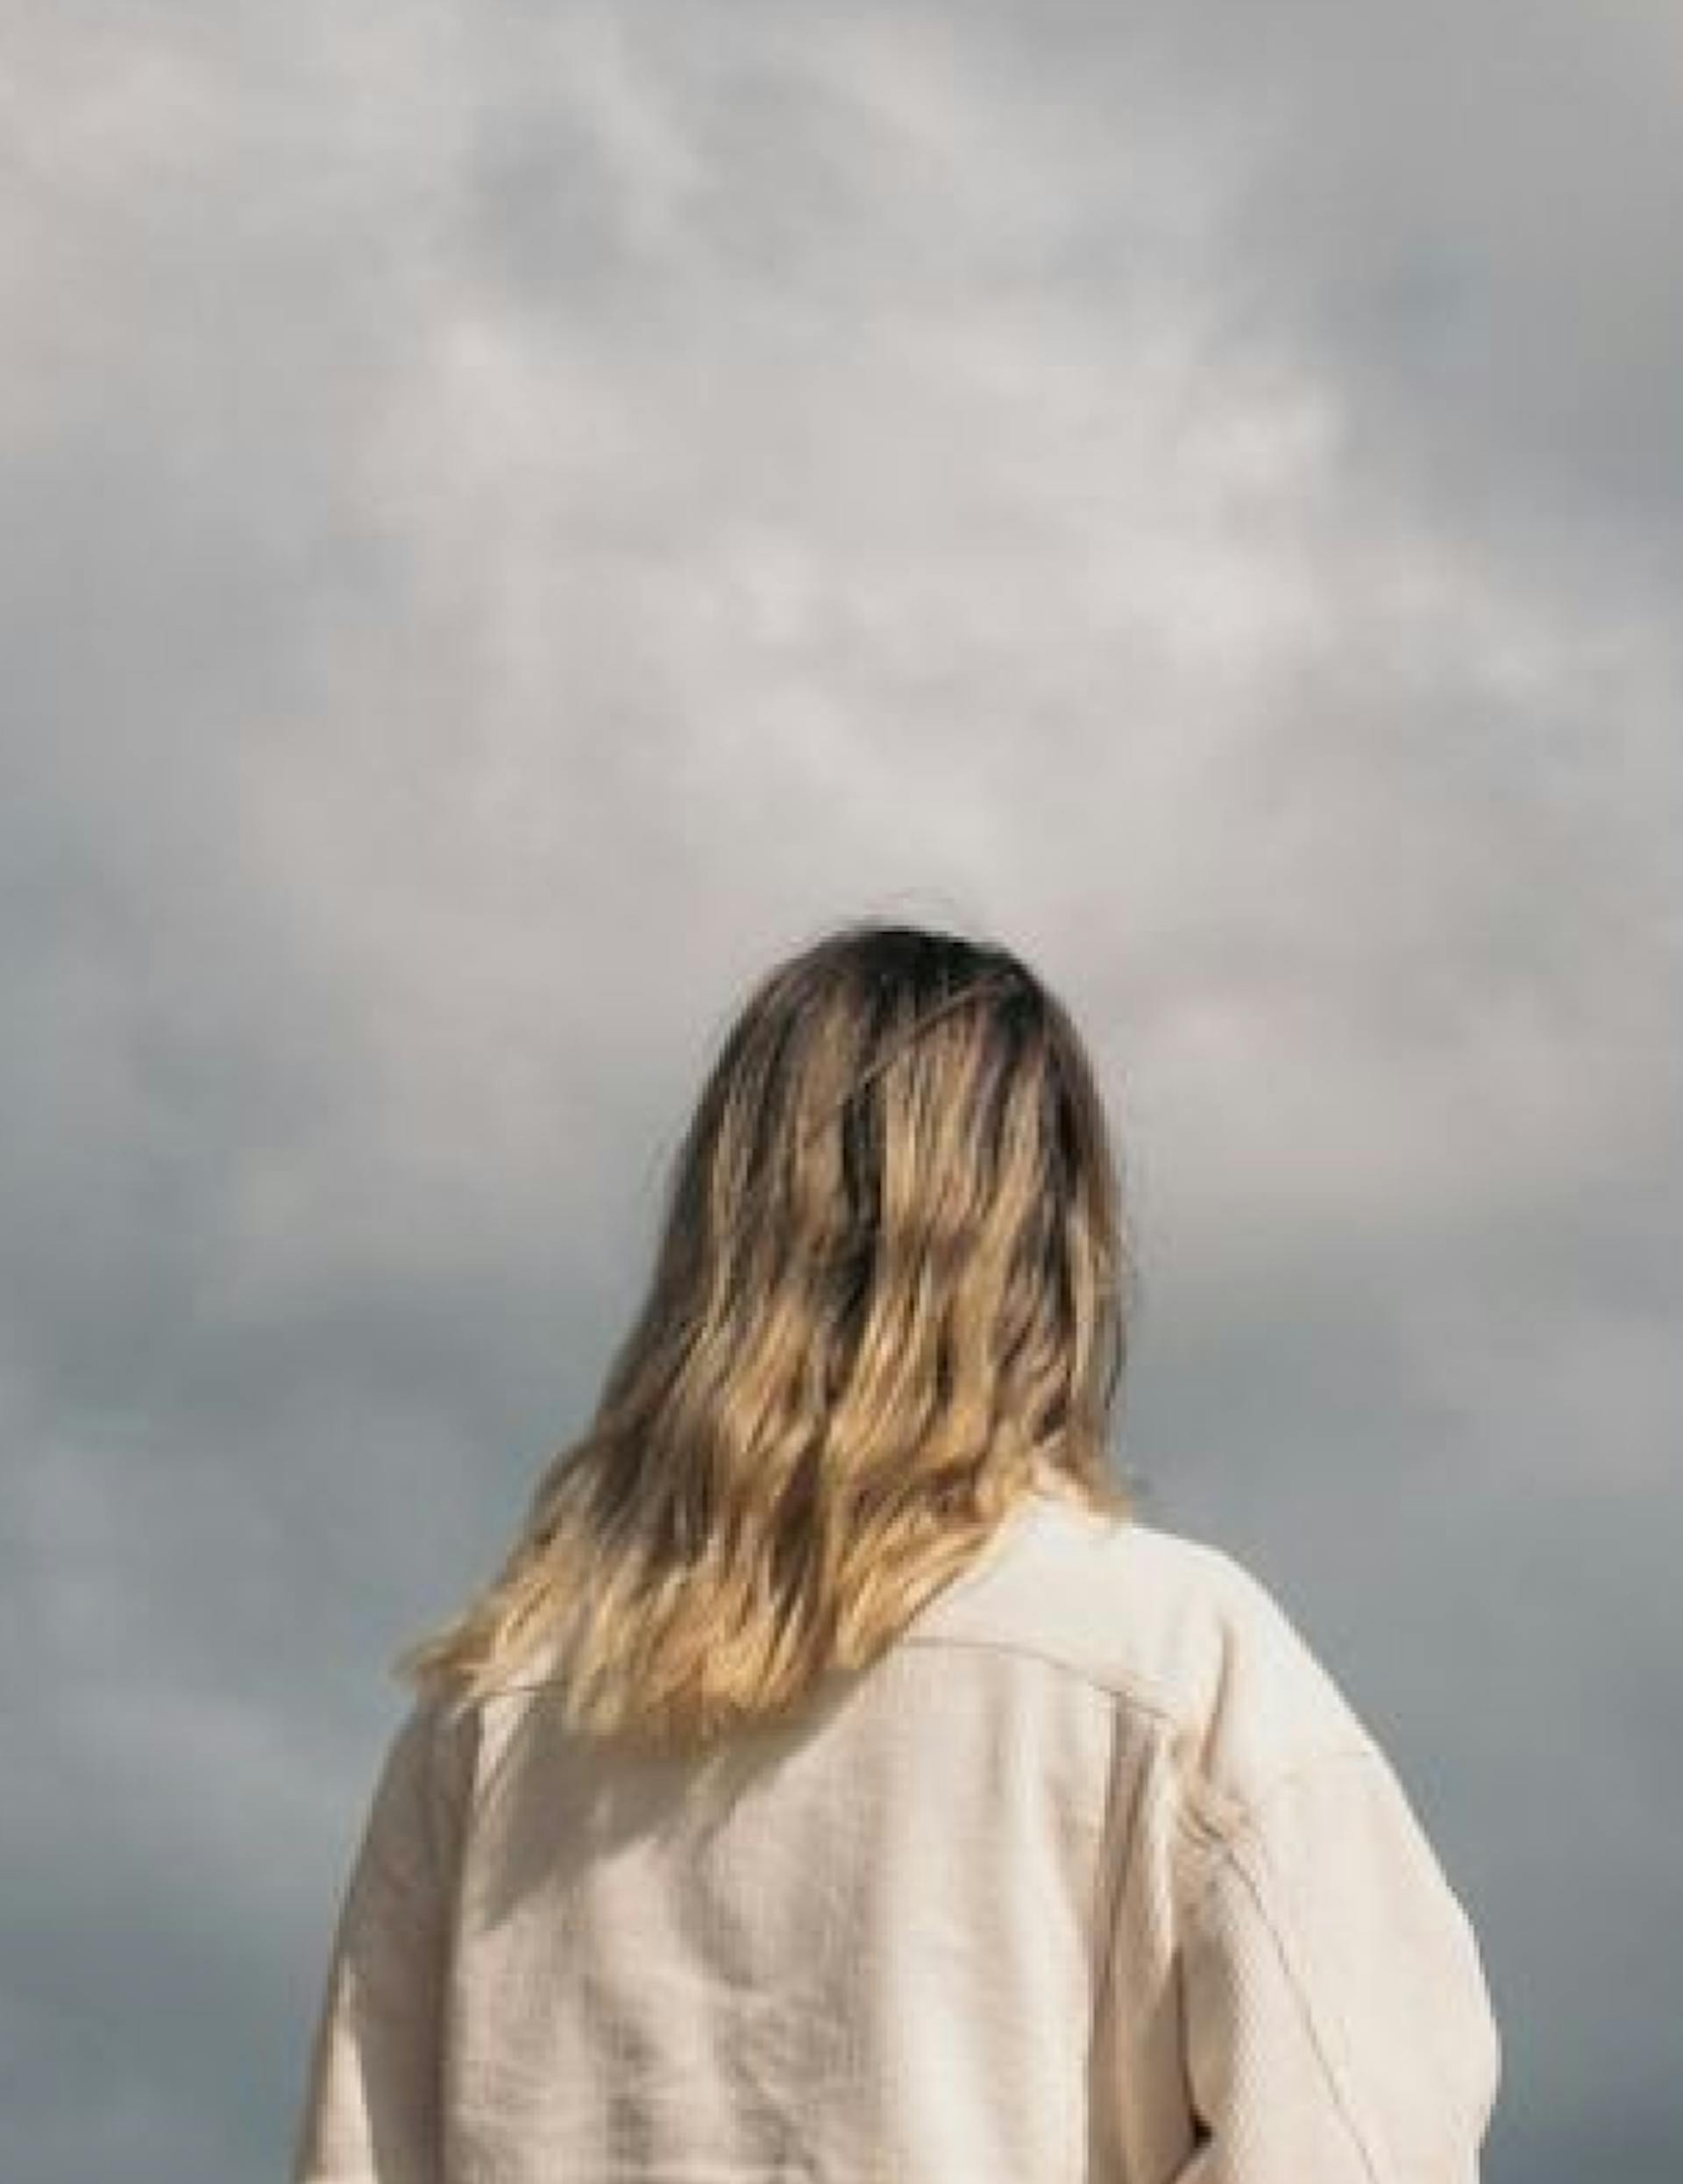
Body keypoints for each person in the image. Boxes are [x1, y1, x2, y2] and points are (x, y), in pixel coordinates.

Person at [291, 918, 1502, 2183]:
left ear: (722, 1230)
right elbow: (1362, 2148)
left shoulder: (496, 1710)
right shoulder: (1176, 1664)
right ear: (1056, 1247)